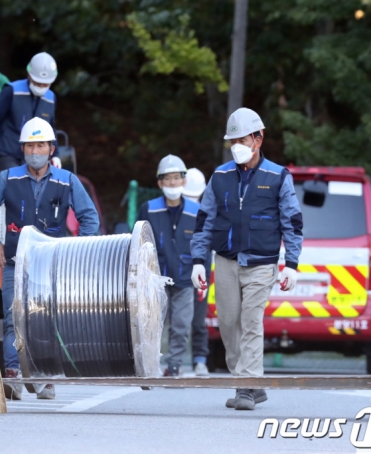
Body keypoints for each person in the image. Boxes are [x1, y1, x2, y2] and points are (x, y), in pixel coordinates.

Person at [0, 117, 99, 400]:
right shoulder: (8, 178)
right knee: (12, 319)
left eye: (40, 144)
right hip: (15, 264)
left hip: (52, 266)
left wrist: (77, 250)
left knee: (49, 320)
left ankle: (46, 376)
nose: (35, 150)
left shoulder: (67, 180)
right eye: (30, 145)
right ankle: (13, 374)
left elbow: (89, 217)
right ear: (22, 149)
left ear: (51, 148)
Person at [190, 108, 303, 410]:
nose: (237, 146)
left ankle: (245, 386)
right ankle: (252, 383)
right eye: (232, 141)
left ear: (258, 138)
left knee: (251, 321)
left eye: (242, 139)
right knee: (228, 323)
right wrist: (199, 260)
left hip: (262, 264)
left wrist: (291, 264)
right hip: (225, 262)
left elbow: (292, 222)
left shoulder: (278, 177)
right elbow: (204, 221)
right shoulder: (220, 176)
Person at [137, 156, 204, 377]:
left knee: (181, 325)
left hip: (185, 277)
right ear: (160, 183)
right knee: (151, 324)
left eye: (177, 178)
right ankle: (149, 364)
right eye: (168, 179)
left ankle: (174, 365)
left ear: (184, 181)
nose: (173, 183)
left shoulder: (196, 211)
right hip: (155, 277)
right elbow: (138, 241)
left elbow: (203, 243)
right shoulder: (149, 209)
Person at [0, 52, 62, 171]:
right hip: (6, 152)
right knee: (14, 184)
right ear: (29, 75)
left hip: (32, 155)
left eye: (45, 84)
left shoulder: (50, 98)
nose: (41, 86)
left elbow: (51, 127)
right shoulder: (11, 91)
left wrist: (55, 155)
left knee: (30, 188)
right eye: (38, 83)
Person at [181, 168, 210, 376]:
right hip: (181, 274)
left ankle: (199, 360)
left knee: (198, 320)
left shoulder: (206, 214)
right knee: (183, 321)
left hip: (197, 273)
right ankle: (185, 361)